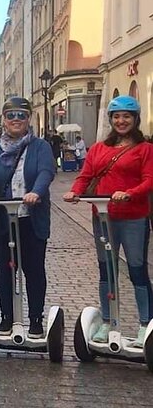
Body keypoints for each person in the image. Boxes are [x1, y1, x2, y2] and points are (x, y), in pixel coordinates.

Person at [63, 95, 153, 347]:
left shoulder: (145, 149)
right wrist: (75, 191)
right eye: (116, 117)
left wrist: (130, 193)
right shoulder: (99, 148)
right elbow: (86, 175)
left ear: (135, 119)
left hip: (133, 216)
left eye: (126, 116)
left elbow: (149, 179)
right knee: (107, 271)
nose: (121, 121)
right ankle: (107, 322)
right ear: (110, 120)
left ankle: (146, 323)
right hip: (103, 216)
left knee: (136, 269)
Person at [0, 97, 56, 338]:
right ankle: (8, 318)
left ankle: (35, 320)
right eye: (11, 115)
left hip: (31, 217)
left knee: (33, 269)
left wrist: (36, 192)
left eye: (21, 115)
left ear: (28, 118)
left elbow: (46, 171)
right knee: (5, 269)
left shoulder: (39, 146)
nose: (16, 120)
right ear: (4, 120)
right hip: (4, 217)